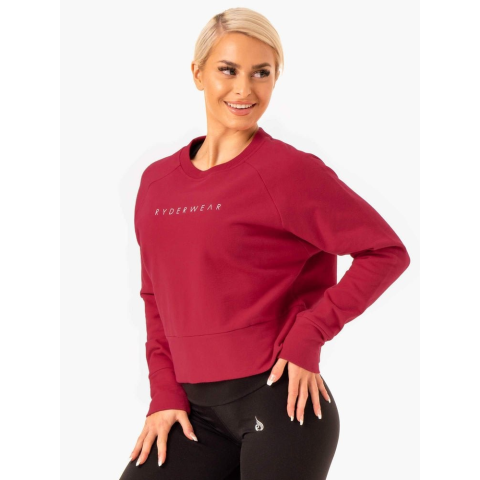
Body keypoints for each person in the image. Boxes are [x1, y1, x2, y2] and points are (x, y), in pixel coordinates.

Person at [119, 7, 410, 480]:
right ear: (197, 73)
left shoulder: (289, 172)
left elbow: (385, 252)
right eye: (228, 70)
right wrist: (164, 394)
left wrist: (309, 333)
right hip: (191, 415)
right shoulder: (156, 184)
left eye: (262, 73)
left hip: (283, 405)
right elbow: (156, 298)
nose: (244, 89)